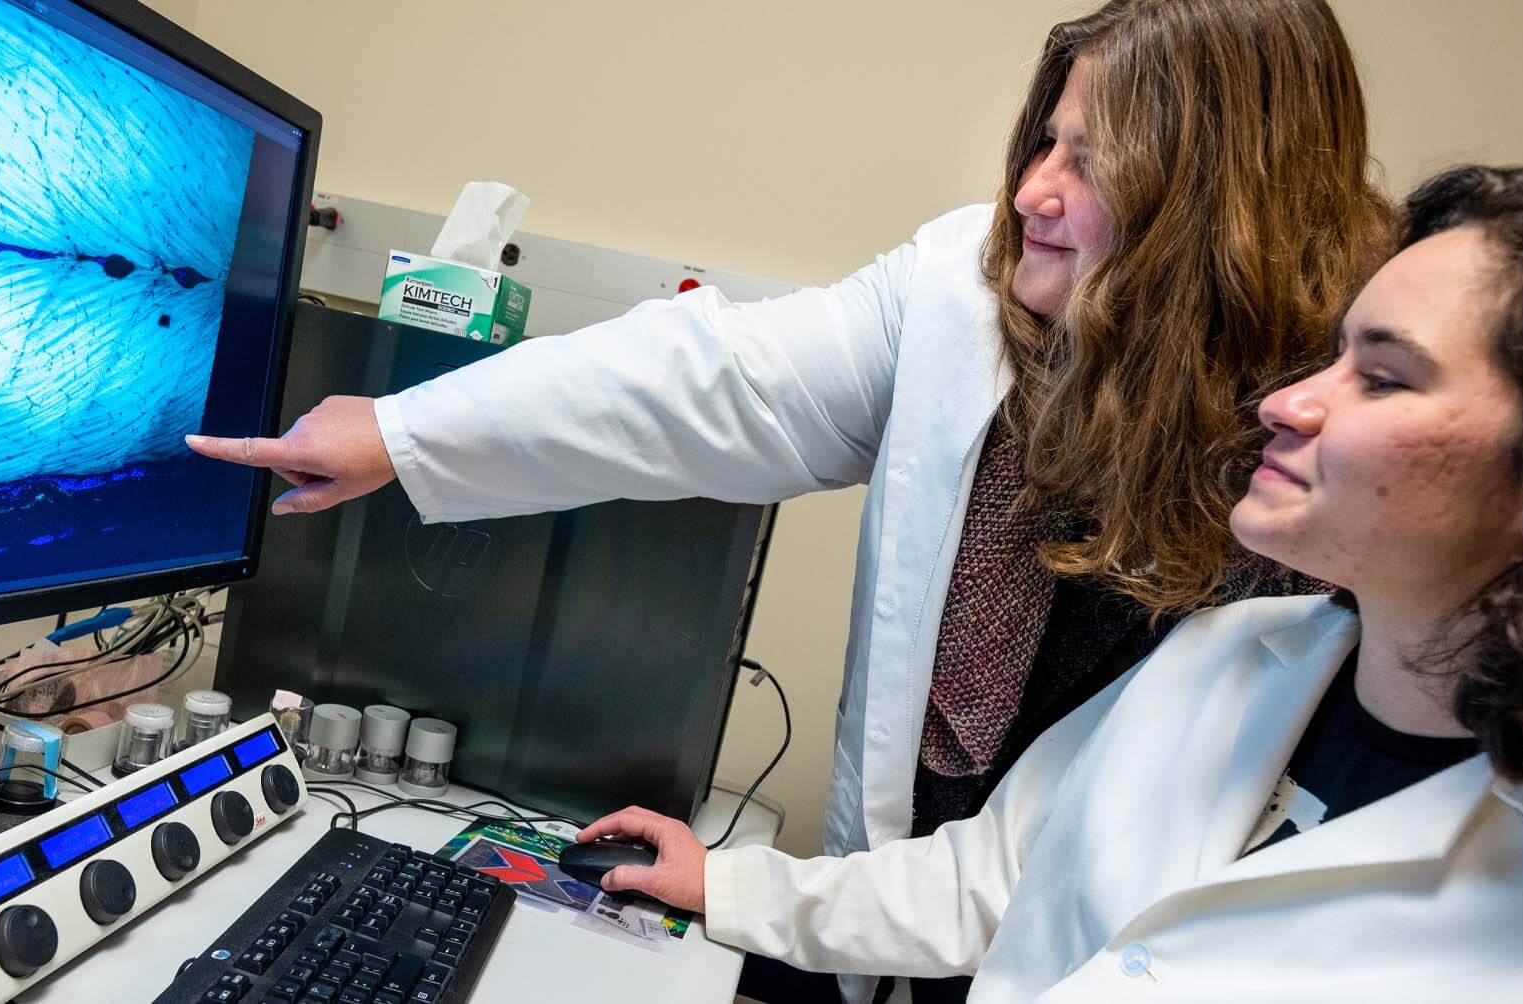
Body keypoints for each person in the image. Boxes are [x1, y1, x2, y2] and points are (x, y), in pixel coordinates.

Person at [187, 5, 1388, 999]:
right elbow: (706, 380)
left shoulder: (1324, 474)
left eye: (1090, 161)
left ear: (1214, 204)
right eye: (1045, 141)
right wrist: (401, 430)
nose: (1032, 189)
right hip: (917, 890)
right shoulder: (965, 297)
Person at [571, 165, 1523, 1002]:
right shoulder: (1228, 657)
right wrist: (733, 886)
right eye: (1333, 352)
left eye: (1382, 375)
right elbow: (991, 878)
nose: (1285, 402)